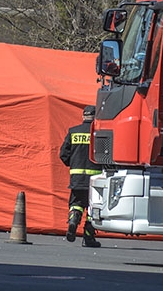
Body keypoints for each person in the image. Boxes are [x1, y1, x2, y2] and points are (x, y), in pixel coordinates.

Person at [59, 105, 102, 247]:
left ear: (83, 116)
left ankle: (72, 221)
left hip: (76, 178)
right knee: (93, 208)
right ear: (95, 117)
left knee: (76, 204)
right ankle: (88, 238)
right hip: (96, 179)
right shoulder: (99, 133)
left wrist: (72, 164)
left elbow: (63, 154)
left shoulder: (73, 132)